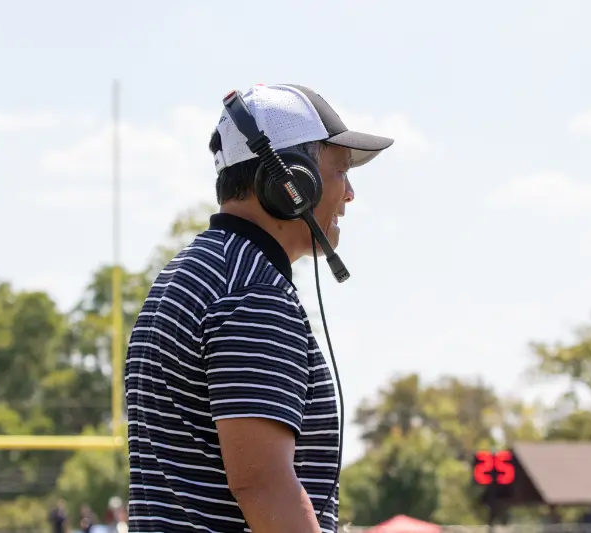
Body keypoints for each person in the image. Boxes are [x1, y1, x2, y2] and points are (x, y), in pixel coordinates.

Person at [125, 83, 394, 533]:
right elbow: (264, 485)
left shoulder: (194, 270)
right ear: (293, 182)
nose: (349, 194)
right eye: (341, 171)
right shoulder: (253, 293)